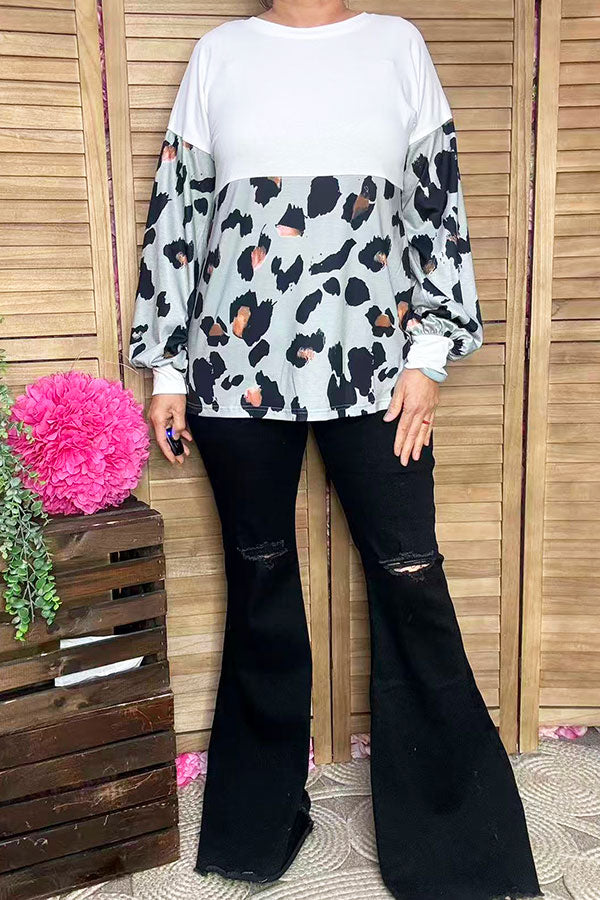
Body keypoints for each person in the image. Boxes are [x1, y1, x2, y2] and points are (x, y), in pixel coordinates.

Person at [128, 2, 543, 898]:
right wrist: (166, 367)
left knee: (409, 574)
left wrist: (428, 357)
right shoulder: (219, 54)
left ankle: (457, 850)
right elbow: (179, 214)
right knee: (260, 576)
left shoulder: (396, 46)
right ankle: (257, 826)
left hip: (378, 368)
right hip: (234, 366)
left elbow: (436, 207)